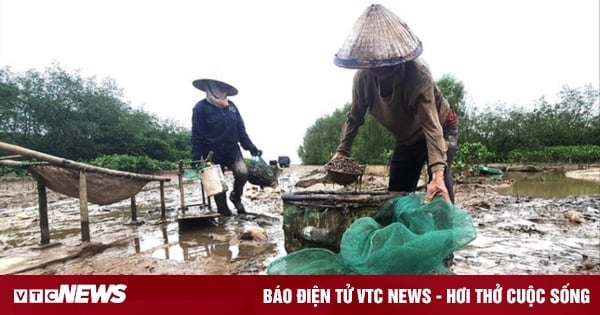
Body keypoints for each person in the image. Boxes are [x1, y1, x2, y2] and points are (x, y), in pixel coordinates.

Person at [331, 4, 459, 204]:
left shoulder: (418, 74)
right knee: (397, 195)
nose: (382, 70)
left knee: (440, 190)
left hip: (440, 127)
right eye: (375, 66)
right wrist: (341, 152)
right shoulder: (363, 80)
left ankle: (447, 227)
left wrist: (438, 175)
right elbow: (354, 118)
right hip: (406, 138)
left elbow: (431, 125)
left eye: (388, 65)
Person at [191, 74, 262, 216]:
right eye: (218, 86)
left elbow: (241, 132)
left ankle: (235, 197)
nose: (221, 89)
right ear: (210, 86)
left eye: (224, 87)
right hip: (211, 152)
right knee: (218, 184)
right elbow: (196, 136)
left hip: (232, 150)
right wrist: (196, 158)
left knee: (242, 172)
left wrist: (252, 148)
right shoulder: (200, 108)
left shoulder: (232, 108)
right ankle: (224, 213)